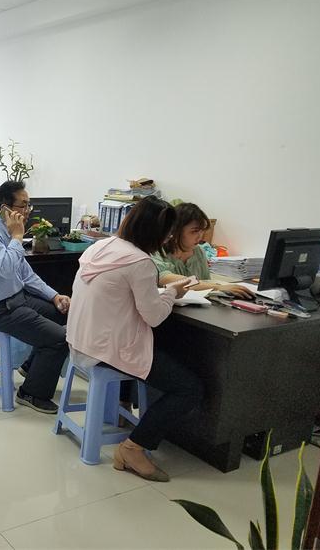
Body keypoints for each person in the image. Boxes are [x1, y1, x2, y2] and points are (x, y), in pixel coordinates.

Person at [67, 196, 203, 482]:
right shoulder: (140, 262)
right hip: (106, 349)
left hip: (80, 339)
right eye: (167, 234)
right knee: (189, 388)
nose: (168, 239)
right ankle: (132, 448)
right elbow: (154, 317)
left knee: (162, 354)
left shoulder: (101, 246)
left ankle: (127, 416)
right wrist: (172, 293)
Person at [0, 180, 70, 413]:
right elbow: (5, 267)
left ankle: (31, 367)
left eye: (28, 205)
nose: (27, 211)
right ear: (5, 208)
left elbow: (26, 274)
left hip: (17, 299)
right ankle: (31, 393)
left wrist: (54, 296)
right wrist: (17, 237)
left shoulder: (8, 233)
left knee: (63, 314)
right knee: (60, 339)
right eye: (23, 205)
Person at [152, 202, 253, 299]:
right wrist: (218, 287)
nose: (200, 236)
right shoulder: (156, 251)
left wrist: (218, 287)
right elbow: (168, 281)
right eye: (194, 231)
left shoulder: (198, 251)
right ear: (176, 230)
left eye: (202, 230)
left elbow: (206, 281)